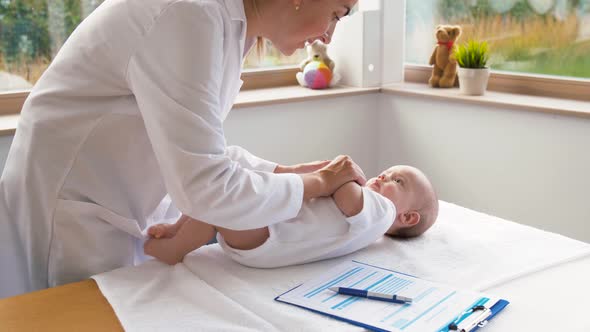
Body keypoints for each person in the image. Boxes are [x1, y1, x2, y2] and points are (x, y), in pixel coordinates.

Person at [0, 0, 361, 298]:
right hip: (72, 212)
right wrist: (317, 184)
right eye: (337, 13)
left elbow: (200, 149)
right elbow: (207, 186)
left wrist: (292, 173)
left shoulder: (230, 23)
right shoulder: (189, 11)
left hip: (117, 204)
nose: (328, 37)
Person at [144, 165, 439, 267]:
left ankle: (177, 247)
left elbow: (348, 198)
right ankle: (177, 226)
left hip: (271, 237)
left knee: (224, 205)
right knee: (220, 200)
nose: (385, 176)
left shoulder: (382, 211)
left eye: (398, 181)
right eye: (388, 172)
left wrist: (341, 176)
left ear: (407, 217)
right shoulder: (373, 223)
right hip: (271, 235)